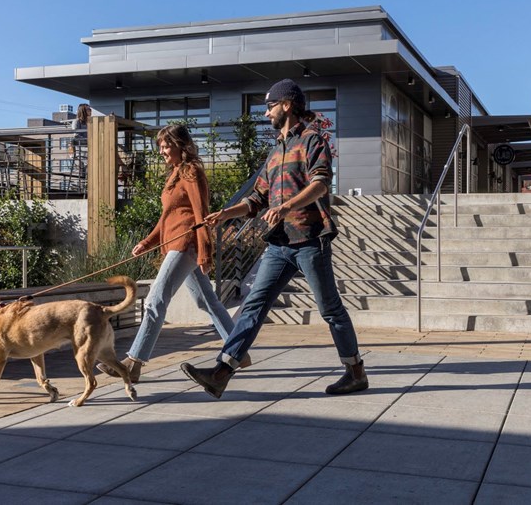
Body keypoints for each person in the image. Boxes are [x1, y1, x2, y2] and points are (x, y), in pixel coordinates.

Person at [181, 78, 368, 398]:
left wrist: (286, 207)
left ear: (287, 105)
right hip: (280, 244)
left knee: (330, 309)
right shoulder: (275, 152)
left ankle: (355, 372)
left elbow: (321, 184)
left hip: (310, 238)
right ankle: (222, 372)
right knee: (253, 305)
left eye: (269, 106)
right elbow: (256, 199)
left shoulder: (312, 141)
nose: (266, 113)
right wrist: (226, 214)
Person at [99, 124, 249, 382]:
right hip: (175, 244)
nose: (162, 151)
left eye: (167, 145)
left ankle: (133, 363)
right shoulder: (176, 174)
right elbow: (167, 217)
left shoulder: (191, 172)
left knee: (156, 300)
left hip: (186, 244)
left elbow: (200, 213)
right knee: (207, 302)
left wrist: (205, 251)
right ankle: (239, 352)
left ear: (182, 145)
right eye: (160, 146)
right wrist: (148, 242)